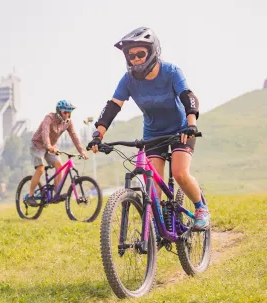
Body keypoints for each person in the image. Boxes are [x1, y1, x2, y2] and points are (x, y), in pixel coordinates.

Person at [88, 27, 210, 230]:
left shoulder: (171, 72)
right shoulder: (128, 80)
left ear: (153, 52)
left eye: (140, 54)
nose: (135, 59)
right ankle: (158, 223)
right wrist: (98, 135)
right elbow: (113, 106)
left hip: (181, 130)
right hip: (153, 134)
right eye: (130, 55)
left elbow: (188, 97)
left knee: (180, 173)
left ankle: (201, 208)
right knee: (153, 184)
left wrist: (191, 124)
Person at [26, 100, 88, 206]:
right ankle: (30, 196)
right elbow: (45, 133)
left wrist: (81, 151)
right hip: (38, 145)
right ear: (59, 112)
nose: (68, 115)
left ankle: (56, 194)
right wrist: (49, 146)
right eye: (65, 112)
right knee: (40, 169)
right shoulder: (49, 118)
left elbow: (74, 136)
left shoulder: (68, 122)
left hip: (51, 147)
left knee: (59, 165)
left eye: (70, 112)